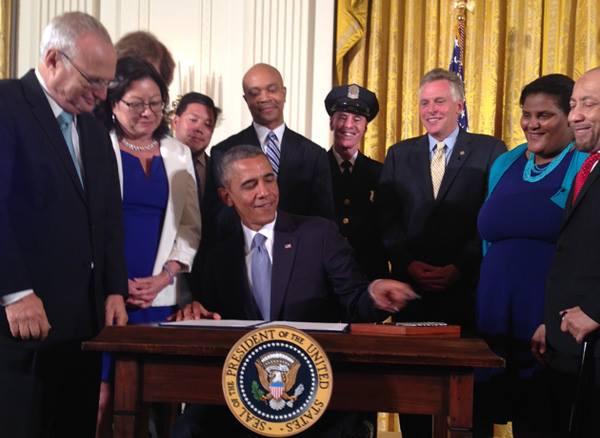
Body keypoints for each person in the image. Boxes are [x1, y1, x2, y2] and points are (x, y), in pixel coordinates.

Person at [172, 145, 418, 437]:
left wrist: (374, 293)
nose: (264, 192)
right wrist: (194, 309)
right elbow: (208, 312)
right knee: (188, 427)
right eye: (250, 185)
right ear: (227, 196)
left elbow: (355, 299)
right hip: (241, 390)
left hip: (313, 388)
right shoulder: (213, 250)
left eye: (269, 179)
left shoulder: (319, 234)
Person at [0, 12, 128, 438]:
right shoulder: (6, 105)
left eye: (107, 83)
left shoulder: (93, 129)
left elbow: (107, 215)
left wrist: (114, 288)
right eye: (93, 80)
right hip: (21, 325)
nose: (102, 94)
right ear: (53, 59)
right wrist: (15, 292)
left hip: (81, 327)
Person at [475, 74, 586, 437]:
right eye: (527, 114)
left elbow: (583, 252)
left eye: (544, 115)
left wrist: (554, 318)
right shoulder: (504, 164)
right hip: (495, 317)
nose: (532, 124)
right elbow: (488, 241)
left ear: (569, 117)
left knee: (542, 421)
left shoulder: (584, 164)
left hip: (548, 322)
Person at [95, 56, 201, 437]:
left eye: (156, 103)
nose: (147, 112)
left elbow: (190, 226)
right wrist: (113, 280)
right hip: (106, 293)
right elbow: (85, 223)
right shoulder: (97, 146)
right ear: (113, 102)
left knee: (155, 399)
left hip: (159, 294)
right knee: (103, 397)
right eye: (136, 103)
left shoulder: (178, 153)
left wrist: (165, 277)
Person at [379, 68, 506, 331]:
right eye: (424, 103)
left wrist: (459, 267)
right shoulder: (398, 154)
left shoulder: (490, 150)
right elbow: (386, 219)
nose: (431, 110)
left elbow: (493, 216)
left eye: (439, 101)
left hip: (466, 288)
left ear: (459, 106)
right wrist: (408, 264)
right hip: (410, 290)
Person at [531, 67, 600, 436]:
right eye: (573, 105)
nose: (575, 116)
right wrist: (551, 322)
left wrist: (595, 310)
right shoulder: (589, 165)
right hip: (569, 344)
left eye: (588, 104)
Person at [202, 63, 334, 244]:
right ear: (246, 99)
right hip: (242, 250)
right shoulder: (223, 151)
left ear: (284, 93)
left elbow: (324, 219)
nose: (264, 98)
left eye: (271, 90)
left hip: (300, 252)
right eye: (254, 93)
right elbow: (214, 215)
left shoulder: (314, 154)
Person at [324, 83, 388, 279]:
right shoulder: (315, 168)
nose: (348, 125)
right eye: (342, 117)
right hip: (323, 273)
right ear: (331, 123)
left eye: (357, 119)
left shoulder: (381, 173)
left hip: (368, 275)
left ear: (365, 127)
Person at [172, 91, 221, 205]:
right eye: (193, 120)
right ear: (175, 122)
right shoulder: (157, 162)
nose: (199, 129)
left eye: (208, 124)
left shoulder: (218, 170)